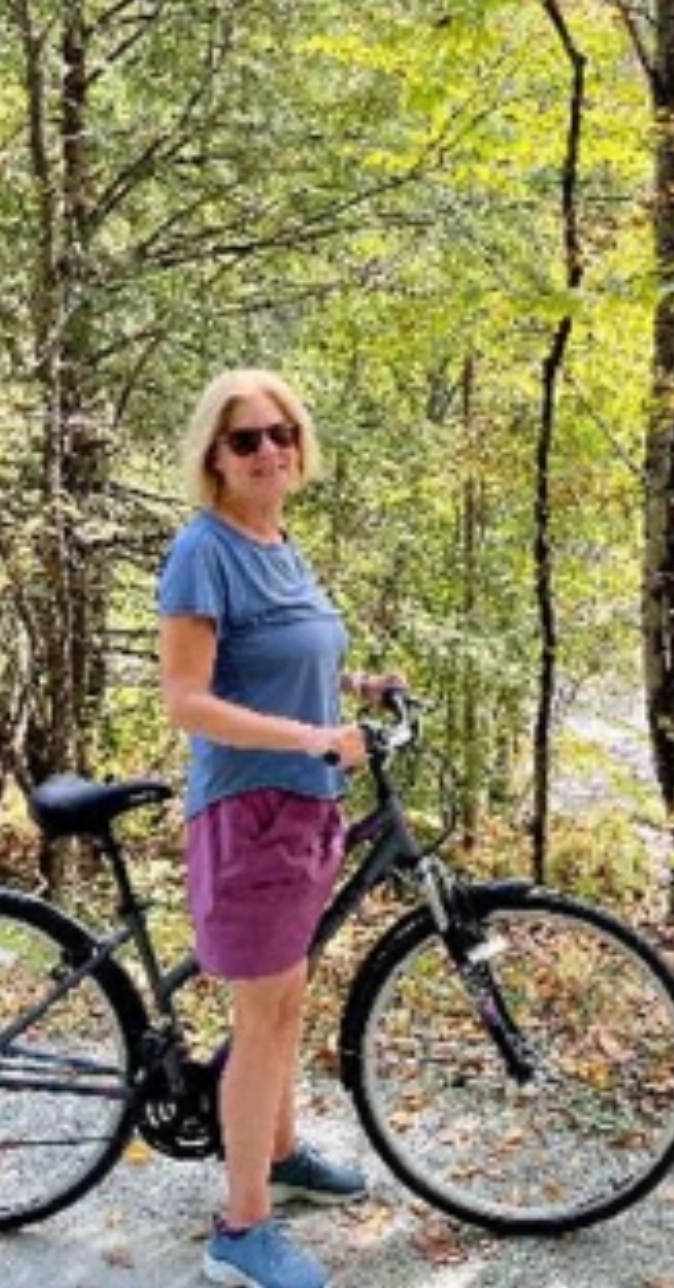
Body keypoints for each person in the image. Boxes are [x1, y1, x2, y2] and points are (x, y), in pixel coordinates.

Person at [157, 368, 402, 1288]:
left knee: (287, 1002)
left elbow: (274, 660)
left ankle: (281, 1152)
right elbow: (188, 700)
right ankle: (241, 1230)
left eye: (281, 434)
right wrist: (312, 737)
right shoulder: (204, 550)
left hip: (305, 804)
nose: (269, 452)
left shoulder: (278, 545)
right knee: (263, 1018)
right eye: (245, 439)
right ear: (214, 458)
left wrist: (355, 689)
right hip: (250, 810)